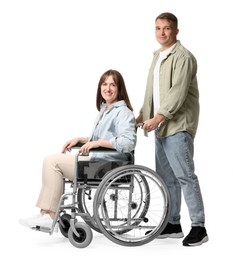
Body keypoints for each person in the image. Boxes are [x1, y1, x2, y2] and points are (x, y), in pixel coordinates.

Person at [19, 69, 137, 231]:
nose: (107, 88)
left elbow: (128, 142)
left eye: (112, 85)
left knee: (52, 162)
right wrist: (83, 140)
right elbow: (102, 140)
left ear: (119, 88)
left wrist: (96, 143)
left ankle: (50, 215)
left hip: (106, 167)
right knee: (53, 163)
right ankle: (46, 213)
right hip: (98, 162)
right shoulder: (106, 110)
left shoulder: (123, 112)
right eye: (104, 84)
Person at [136, 12, 208, 246]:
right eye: (158, 28)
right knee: (167, 178)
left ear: (176, 31)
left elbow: (176, 94)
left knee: (185, 176)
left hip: (177, 126)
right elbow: (153, 93)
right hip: (160, 125)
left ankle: (199, 227)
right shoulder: (158, 57)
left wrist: (157, 118)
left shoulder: (183, 57)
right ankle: (173, 224)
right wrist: (142, 115)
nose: (162, 32)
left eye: (167, 28)